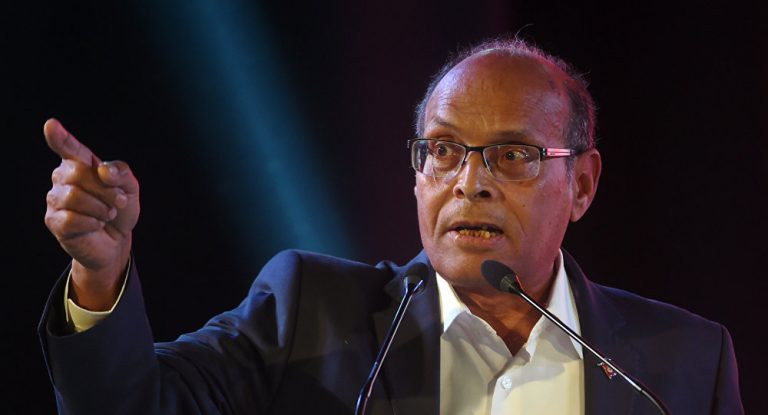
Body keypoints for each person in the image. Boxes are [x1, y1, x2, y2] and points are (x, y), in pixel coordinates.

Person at [39, 38, 743, 414]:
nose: (470, 181)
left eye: (512, 155)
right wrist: (101, 273)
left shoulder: (681, 364)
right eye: (444, 150)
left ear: (581, 184)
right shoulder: (307, 315)